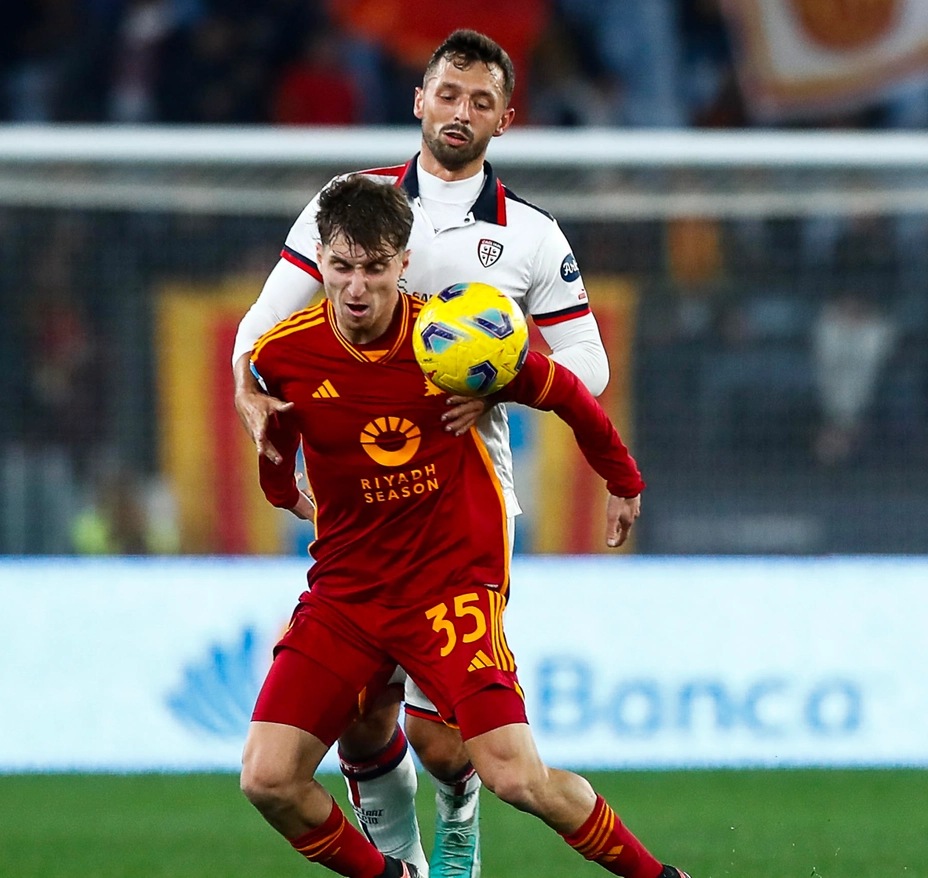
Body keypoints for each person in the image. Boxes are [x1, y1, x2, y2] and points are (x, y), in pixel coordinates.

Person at [231, 29, 608, 875]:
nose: (460, 112)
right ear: (419, 100)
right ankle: (397, 862)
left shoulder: (533, 237)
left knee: (443, 745)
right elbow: (261, 333)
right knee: (364, 722)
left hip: (461, 509)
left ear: (506, 119)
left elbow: (591, 365)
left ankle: (460, 805)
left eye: (481, 101)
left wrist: (503, 377)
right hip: (361, 508)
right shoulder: (351, 205)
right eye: (448, 93)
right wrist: (248, 394)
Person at [241, 174, 684, 878]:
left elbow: (568, 391)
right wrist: (279, 487)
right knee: (267, 778)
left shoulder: (453, 343)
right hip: (347, 595)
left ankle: (660, 877)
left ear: (404, 264)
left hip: (448, 588)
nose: (357, 288)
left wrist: (622, 480)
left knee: (515, 777)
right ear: (319, 259)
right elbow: (277, 440)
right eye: (343, 267)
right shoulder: (283, 355)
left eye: (376, 268)